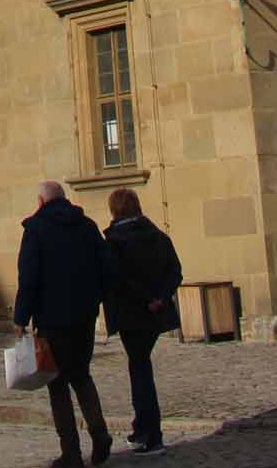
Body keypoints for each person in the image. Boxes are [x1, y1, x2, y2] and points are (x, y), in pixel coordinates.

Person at [12, 180, 112, 468]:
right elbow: (107, 268)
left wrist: (21, 318)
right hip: (84, 317)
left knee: (57, 385)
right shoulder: (87, 226)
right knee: (81, 376)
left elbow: (28, 279)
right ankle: (99, 431)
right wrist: (95, 299)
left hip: (52, 320)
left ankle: (71, 453)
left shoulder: (35, 230)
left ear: (41, 202)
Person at [103, 188, 182, 456]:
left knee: (140, 371)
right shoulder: (157, 236)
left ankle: (150, 434)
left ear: (114, 210)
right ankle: (143, 429)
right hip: (155, 312)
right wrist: (160, 297)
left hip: (132, 314)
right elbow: (175, 271)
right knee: (140, 367)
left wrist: (148, 299)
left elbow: (119, 280)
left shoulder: (115, 241)